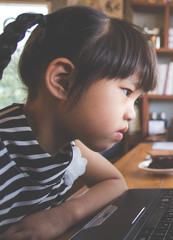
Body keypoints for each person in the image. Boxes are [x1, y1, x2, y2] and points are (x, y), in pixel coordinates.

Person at [0, 5, 156, 239]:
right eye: (126, 92)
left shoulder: (70, 146)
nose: (132, 114)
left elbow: (115, 181)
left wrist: (64, 215)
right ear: (63, 82)